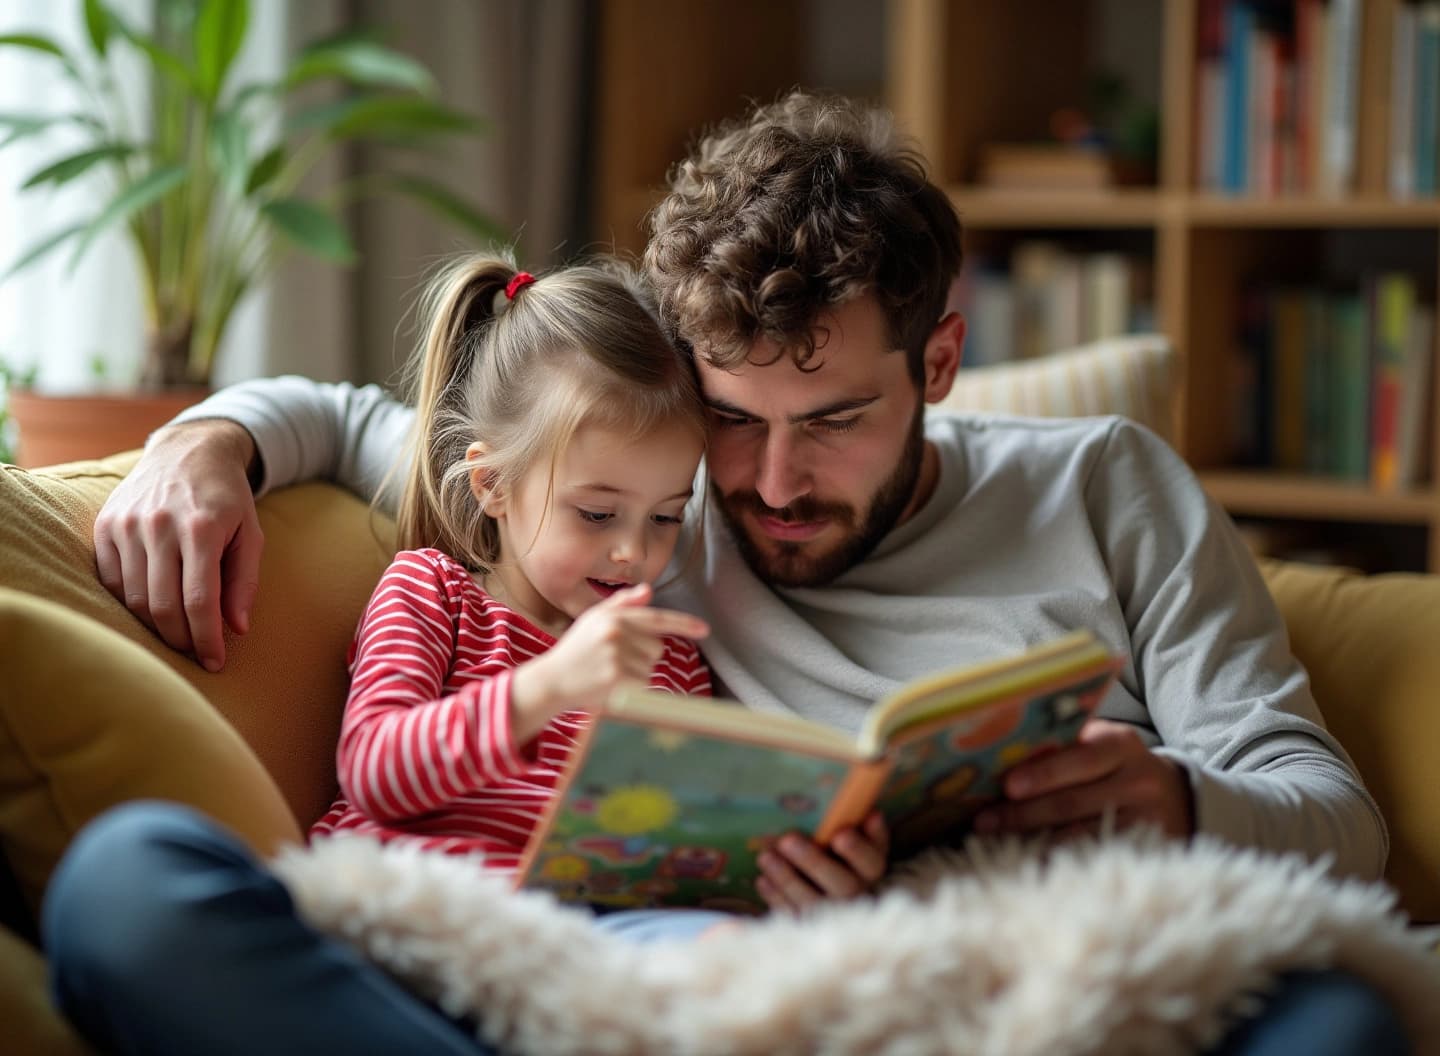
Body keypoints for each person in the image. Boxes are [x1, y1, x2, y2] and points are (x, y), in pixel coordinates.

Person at [54, 92, 1404, 1052]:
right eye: (732, 421)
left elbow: (1334, 819)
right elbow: (372, 424)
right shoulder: (641, 511)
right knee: (130, 888)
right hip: (684, 986)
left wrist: (1172, 799)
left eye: (831, 424)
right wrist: (207, 442)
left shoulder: (1111, 487)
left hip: (994, 981)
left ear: (936, 362)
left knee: (1342, 1017)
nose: (764, 484)